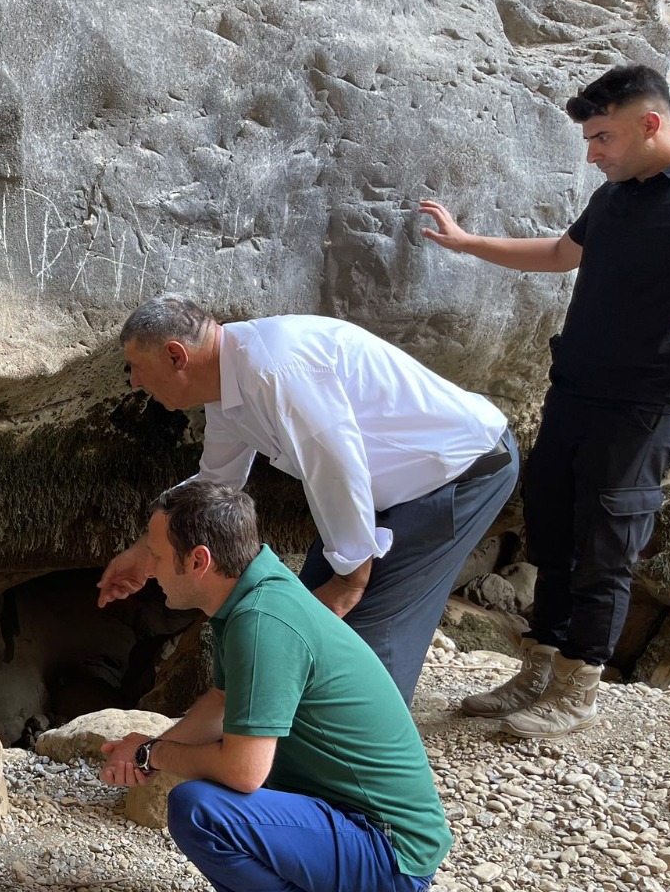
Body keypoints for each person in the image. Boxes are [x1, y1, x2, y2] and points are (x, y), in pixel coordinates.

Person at [98, 480, 450, 892]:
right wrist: (148, 754)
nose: (148, 568)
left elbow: (244, 772)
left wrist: (155, 752)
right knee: (210, 791)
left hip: (388, 855)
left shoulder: (261, 622)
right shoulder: (255, 590)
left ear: (198, 561)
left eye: (155, 555)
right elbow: (221, 702)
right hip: (365, 827)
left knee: (200, 809)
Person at [420, 63, 670, 737]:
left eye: (602, 137)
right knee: (553, 530)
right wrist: (467, 243)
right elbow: (562, 253)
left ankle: (578, 688)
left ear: (650, 124)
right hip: (574, 391)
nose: (592, 154)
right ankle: (538, 669)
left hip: (644, 407)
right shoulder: (616, 195)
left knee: (606, 545)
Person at [99, 295, 518, 706]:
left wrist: (350, 582)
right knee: (305, 611)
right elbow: (217, 480)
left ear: (176, 356)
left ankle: (368, 744)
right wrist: (147, 552)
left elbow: (338, 468)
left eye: (136, 366)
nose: (134, 381)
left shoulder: (277, 369)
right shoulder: (227, 385)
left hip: (460, 471)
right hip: (387, 488)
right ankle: (286, 735)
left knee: (367, 627)